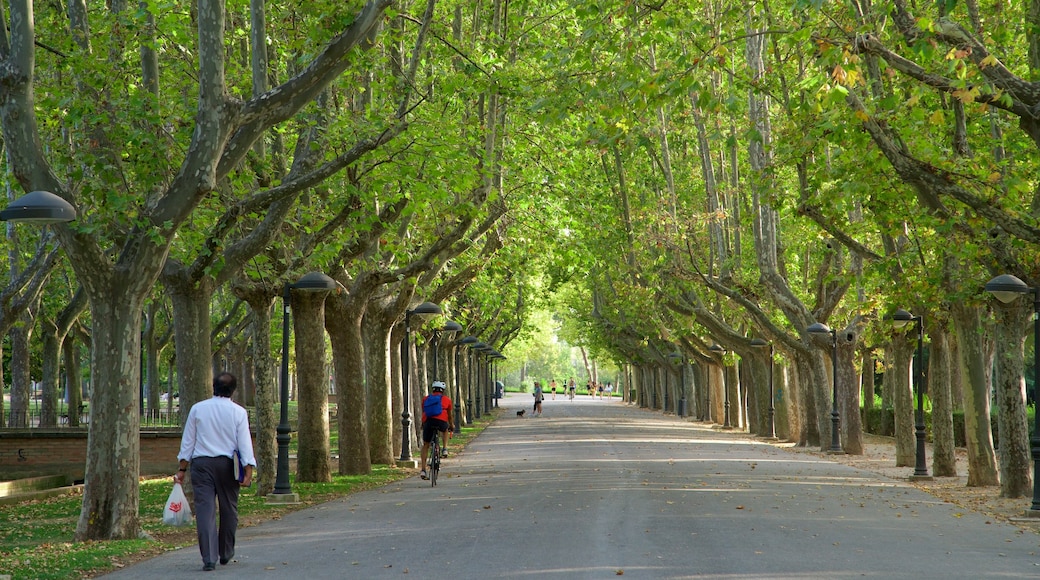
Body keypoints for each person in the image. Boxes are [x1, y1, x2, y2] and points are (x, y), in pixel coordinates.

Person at [174, 372, 255, 572]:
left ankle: (209, 557)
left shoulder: (197, 409)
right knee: (229, 508)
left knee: (205, 511)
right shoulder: (238, 412)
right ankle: (226, 551)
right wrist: (248, 469)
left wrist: (182, 469)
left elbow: (188, 442)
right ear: (234, 390)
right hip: (228, 465)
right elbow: (244, 443)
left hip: (202, 465)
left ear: (213, 387)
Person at [420, 381, 453, 480]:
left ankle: (423, 470)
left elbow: (424, 412)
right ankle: (445, 449)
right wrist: (451, 425)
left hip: (428, 422)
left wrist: (423, 424)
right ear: (443, 391)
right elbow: (450, 416)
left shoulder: (426, 399)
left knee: (426, 444)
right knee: (445, 429)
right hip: (441, 421)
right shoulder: (447, 400)